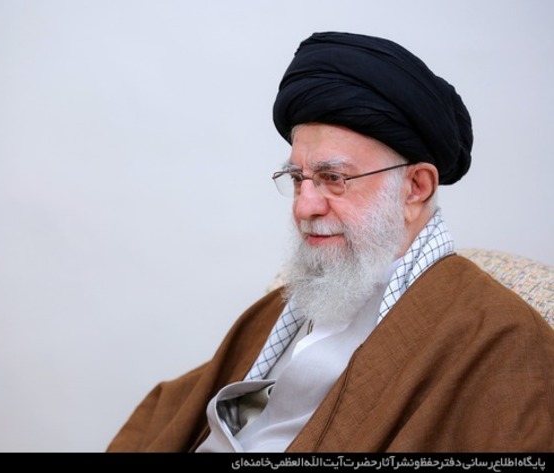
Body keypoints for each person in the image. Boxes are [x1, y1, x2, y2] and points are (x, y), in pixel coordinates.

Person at [106, 31, 554, 452]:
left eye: (333, 178)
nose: (304, 207)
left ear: (415, 188)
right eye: (297, 179)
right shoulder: (289, 304)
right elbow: (174, 417)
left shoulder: (501, 340)